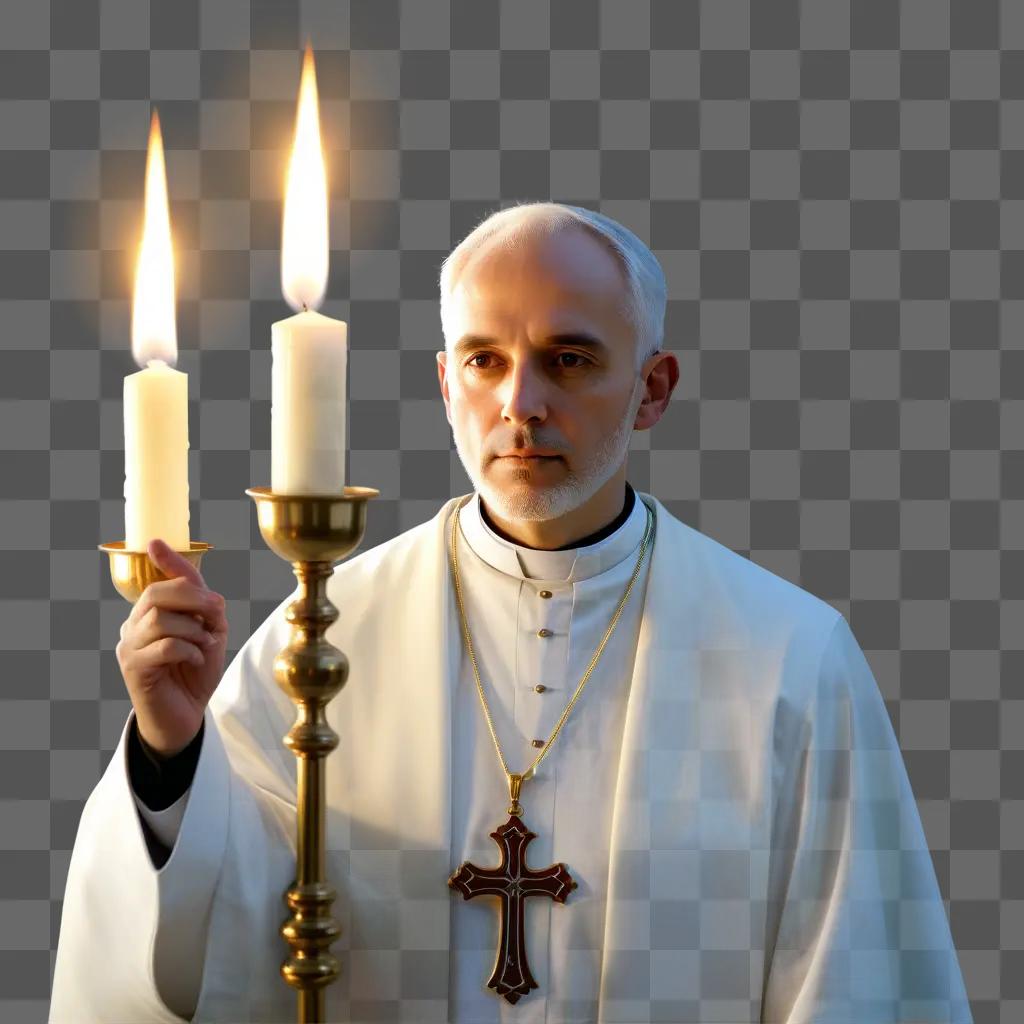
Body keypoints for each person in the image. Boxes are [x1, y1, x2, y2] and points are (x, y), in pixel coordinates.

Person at [49, 202, 973, 1023]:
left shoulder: (788, 655)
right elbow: (227, 926)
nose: (520, 404)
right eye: (486, 362)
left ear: (652, 390)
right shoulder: (325, 632)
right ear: (448, 384)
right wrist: (171, 753)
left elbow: (858, 974)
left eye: (568, 360)